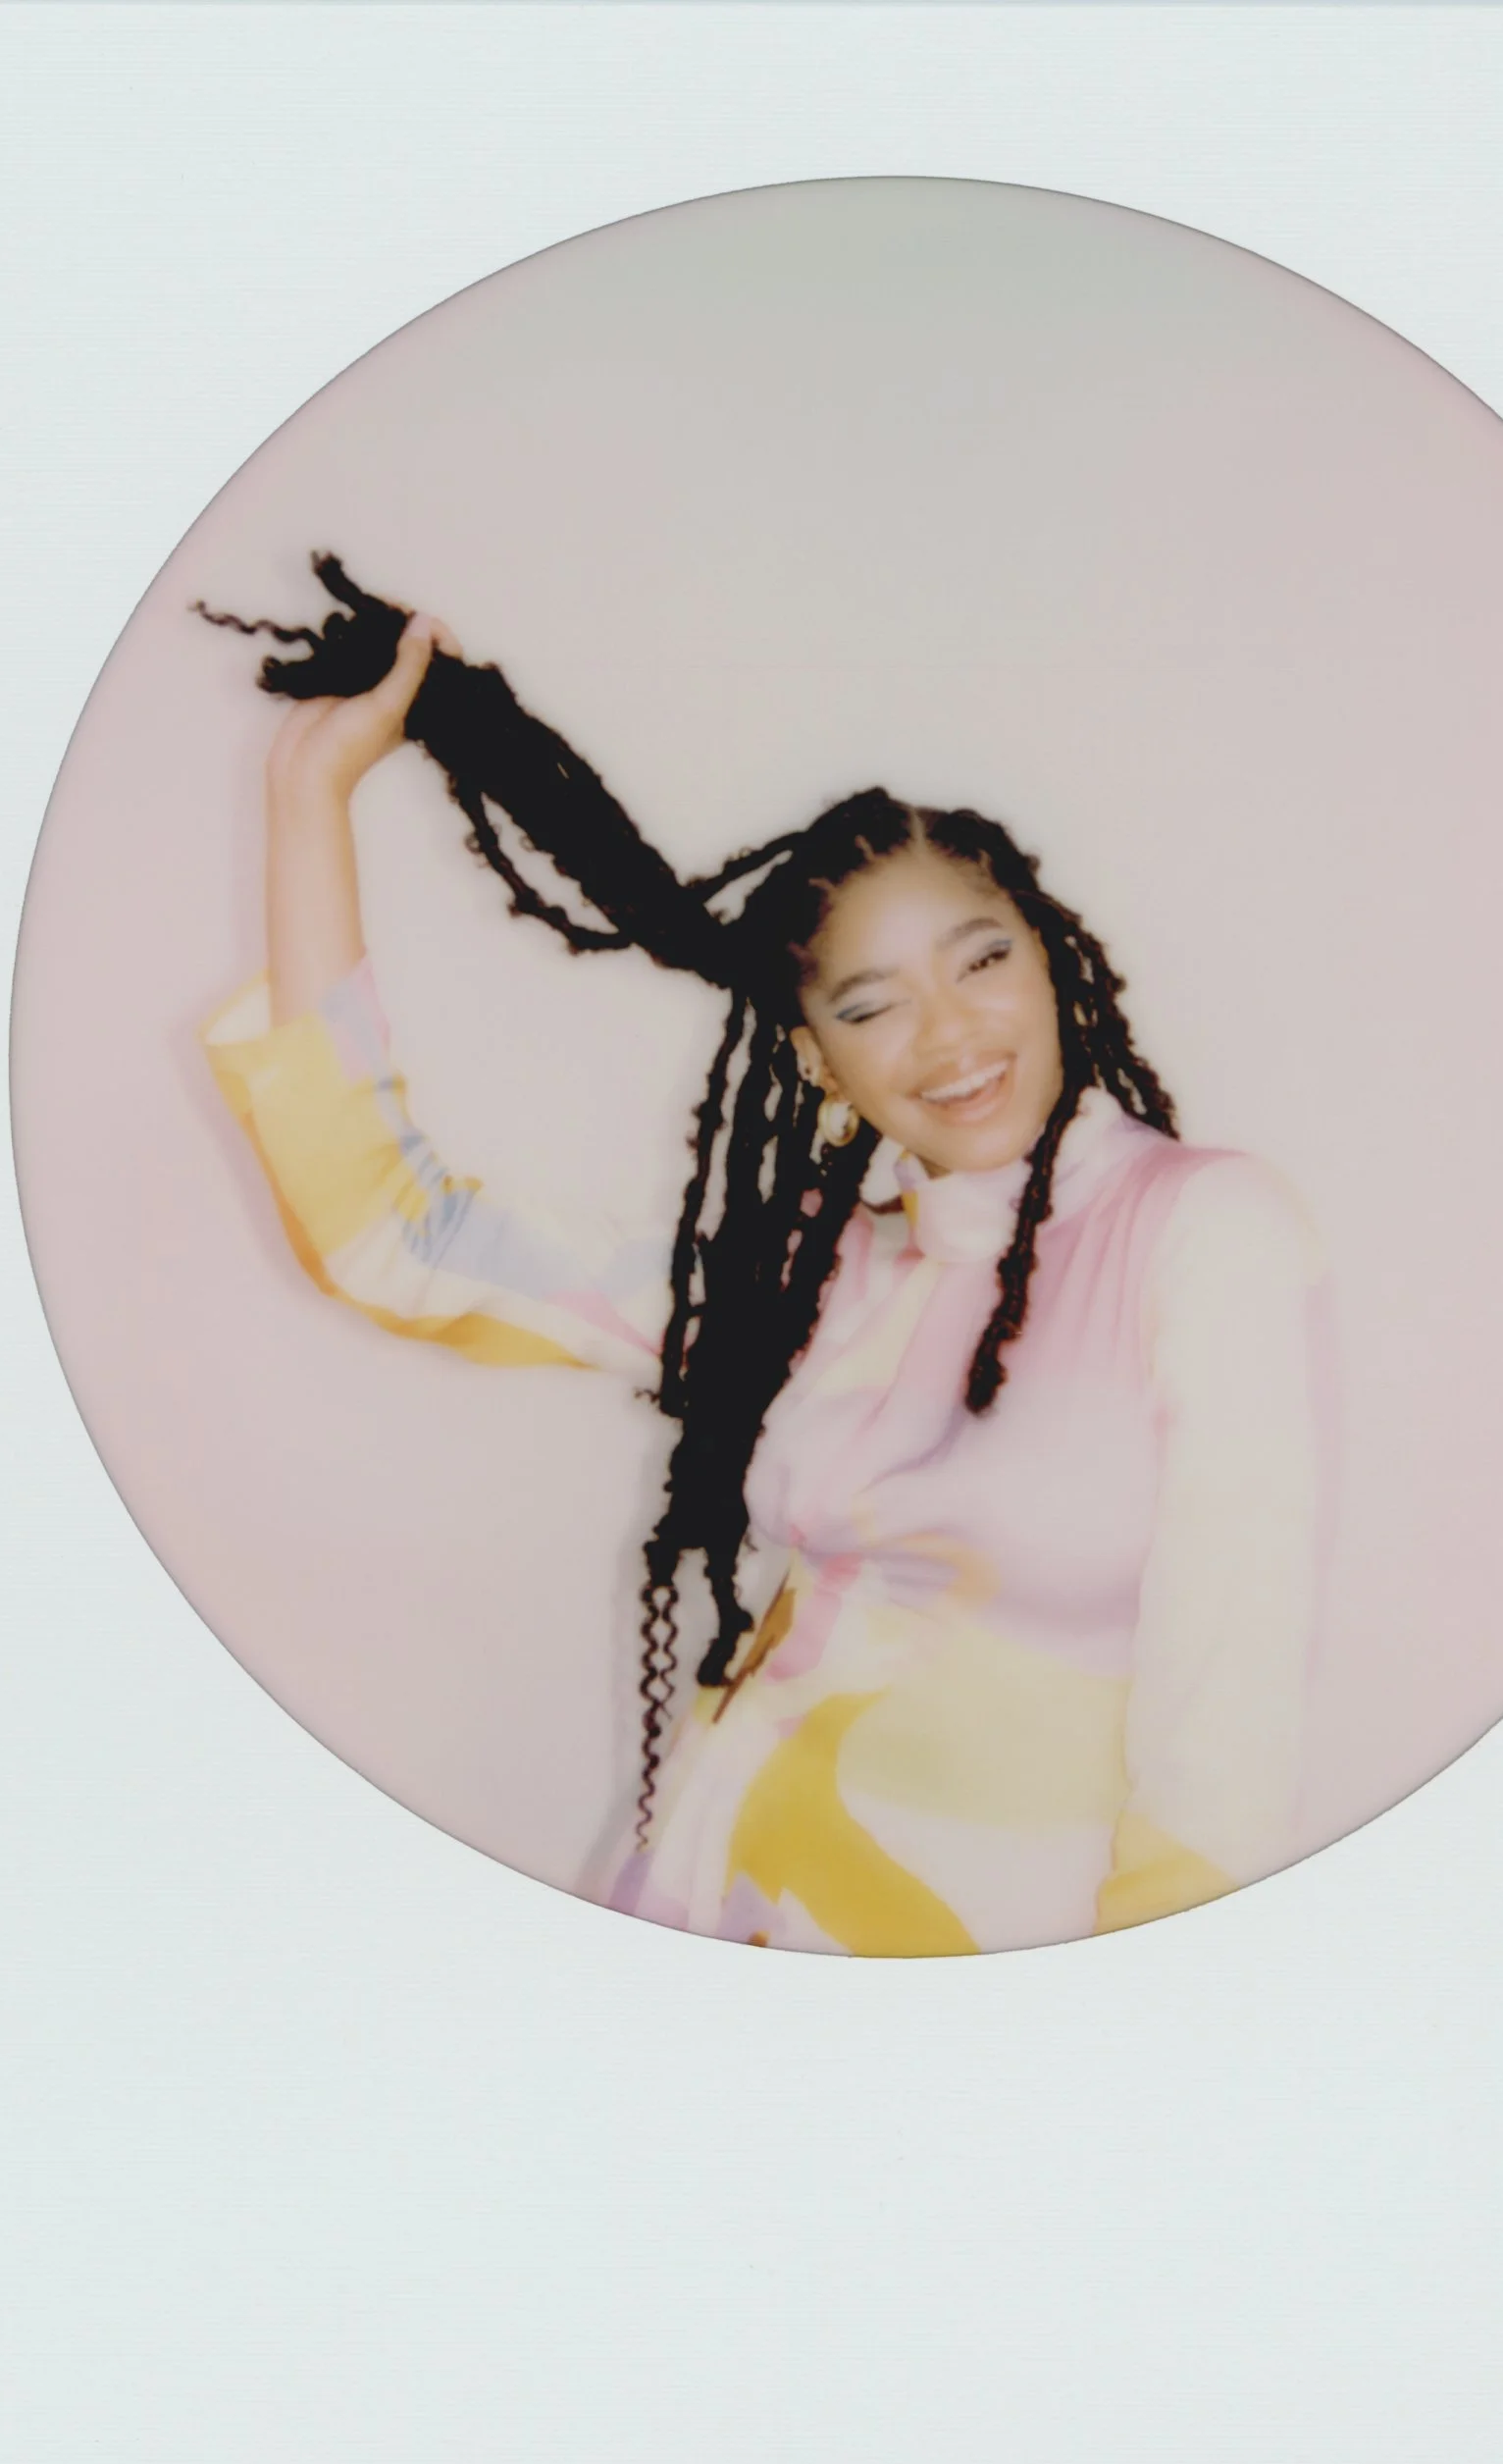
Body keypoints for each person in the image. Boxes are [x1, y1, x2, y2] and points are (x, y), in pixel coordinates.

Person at [198, 562, 1333, 1955]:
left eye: (980, 960)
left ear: (1052, 962)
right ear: (823, 1065)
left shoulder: (1204, 1233)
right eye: (874, 1002)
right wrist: (306, 801)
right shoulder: (797, 1281)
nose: (950, 1031)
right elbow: (401, 1239)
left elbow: (1229, 1714)